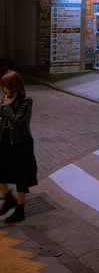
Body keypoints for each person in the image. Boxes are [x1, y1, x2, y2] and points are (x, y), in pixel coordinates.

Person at [0, 71, 38, 223]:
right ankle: (9, 199)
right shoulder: (6, 98)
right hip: (5, 142)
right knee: (1, 171)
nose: (4, 91)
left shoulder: (26, 101)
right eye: (2, 87)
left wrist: (8, 107)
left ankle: (20, 209)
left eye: (6, 87)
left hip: (21, 144)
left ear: (15, 86)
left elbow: (17, 121)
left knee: (21, 177)